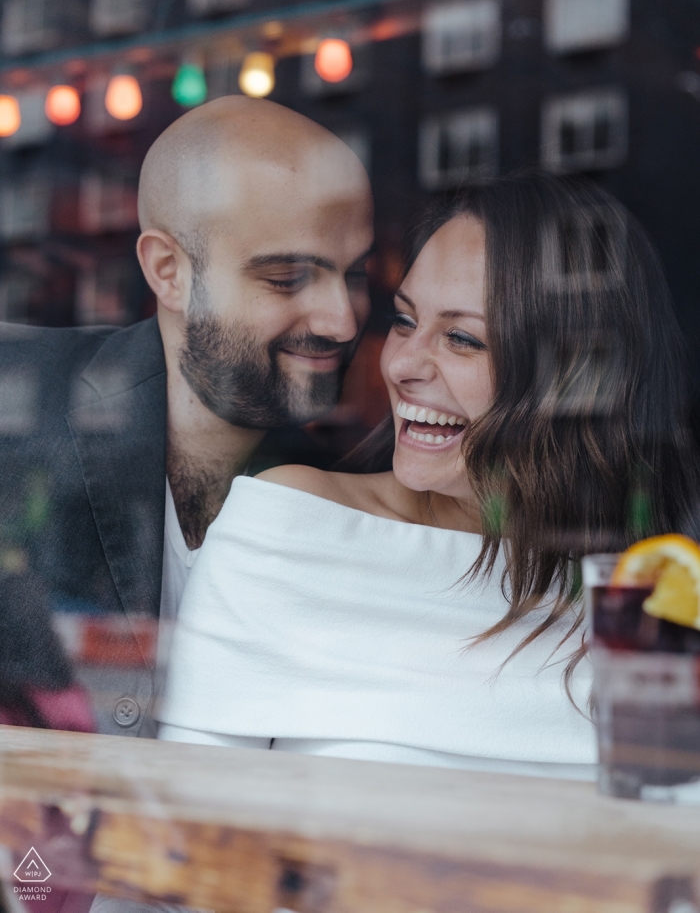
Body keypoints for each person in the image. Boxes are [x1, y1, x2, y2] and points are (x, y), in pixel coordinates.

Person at [159, 173, 700, 774]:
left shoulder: (657, 586)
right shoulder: (291, 529)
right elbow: (184, 815)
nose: (402, 364)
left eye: (463, 338)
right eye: (405, 320)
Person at [0, 96, 374, 736]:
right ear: (168, 272)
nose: (341, 320)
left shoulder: (343, 491)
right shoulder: (25, 411)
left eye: (355, 274)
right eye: (286, 278)